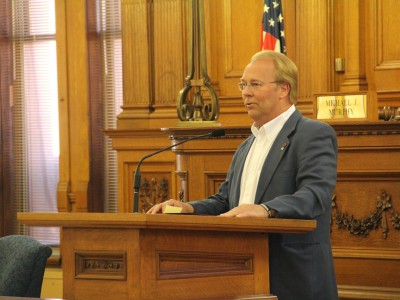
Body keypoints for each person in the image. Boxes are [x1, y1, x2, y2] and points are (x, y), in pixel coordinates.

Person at [147, 50, 338, 300]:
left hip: (294, 276)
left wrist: (266, 209)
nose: (245, 92)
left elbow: (315, 196)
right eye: (243, 84)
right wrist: (187, 209)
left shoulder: (313, 134)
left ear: (284, 89)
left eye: (255, 84)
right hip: (244, 274)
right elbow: (226, 202)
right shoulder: (247, 145)